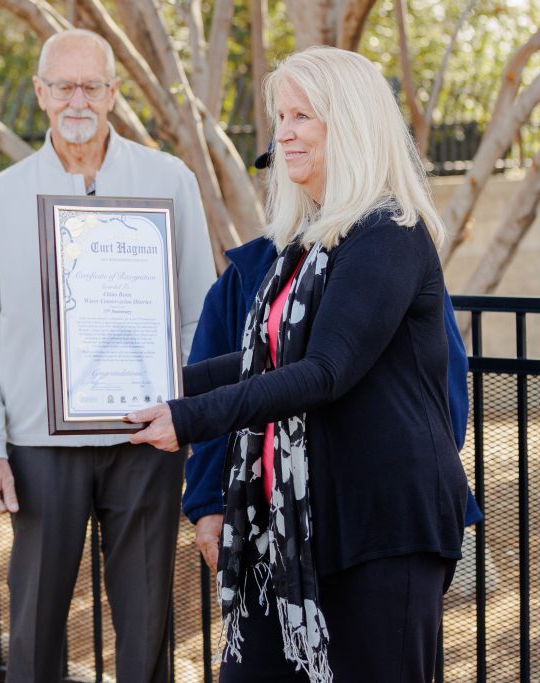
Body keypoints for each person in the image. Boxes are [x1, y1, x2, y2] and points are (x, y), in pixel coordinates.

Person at [127, 46, 468, 682]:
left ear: (353, 125)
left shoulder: (389, 232)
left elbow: (324, 372)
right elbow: (262, 360)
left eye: (302, 116)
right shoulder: (304, 245)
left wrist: (187, 417)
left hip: (381, 526)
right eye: (280, 115)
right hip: (290, 527)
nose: (283, 131)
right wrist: (142, 385)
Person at [0, 28, 217, 682]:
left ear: (113, 93)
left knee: (147, 618)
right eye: (62, 85)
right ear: (41, 93)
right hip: (40, 447)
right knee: (37, 624)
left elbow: (199, 315)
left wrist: (186, 417)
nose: (78, 99)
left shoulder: (170, 181)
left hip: (146, 438)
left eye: (91, 85)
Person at [183, 146, 483, 573]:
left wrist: (411, 476)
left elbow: (443, 389)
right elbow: (222, 389)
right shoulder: (244, 278)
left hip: (373, 517)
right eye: (281, 167)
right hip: (265, 515)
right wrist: (210, 503)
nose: (293, 179)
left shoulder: (383, 250)